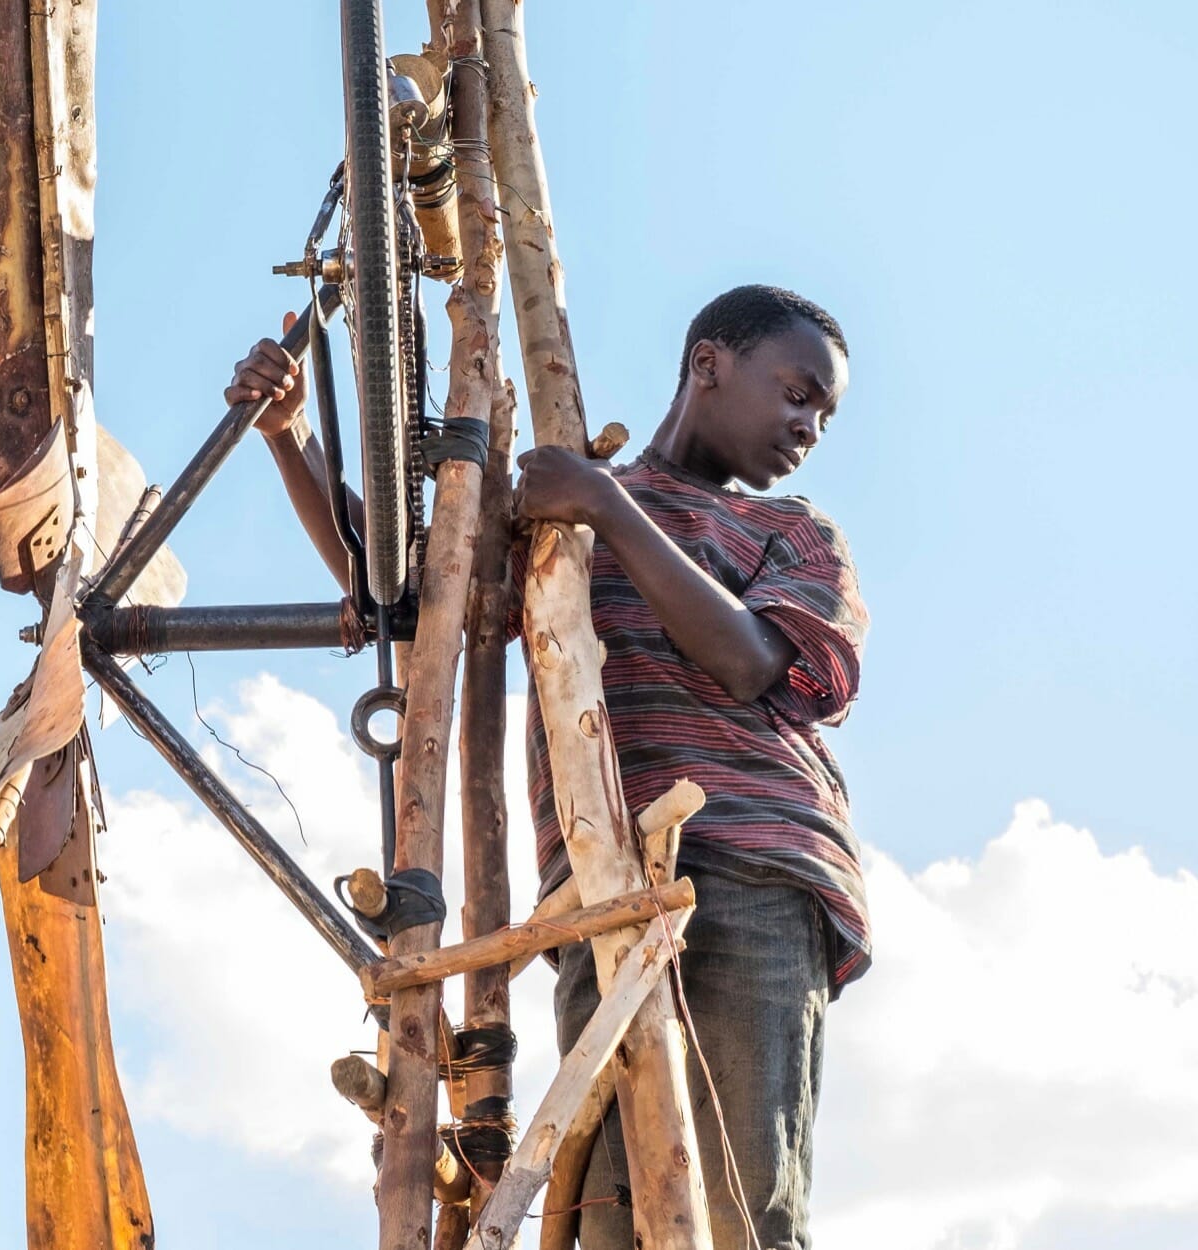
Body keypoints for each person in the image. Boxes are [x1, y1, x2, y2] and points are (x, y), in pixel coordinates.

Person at [228, 285, 869, 1250]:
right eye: (796, 392)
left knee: (741, 1206)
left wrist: (604, 503)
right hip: (594, 886)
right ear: (708, 365)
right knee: (612, 1215)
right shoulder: (552, 518)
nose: (808, 425)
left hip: (750, 864)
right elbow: (413, 590)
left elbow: (747, 664)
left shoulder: (793, 533)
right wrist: (289, 440)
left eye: (823, 411)